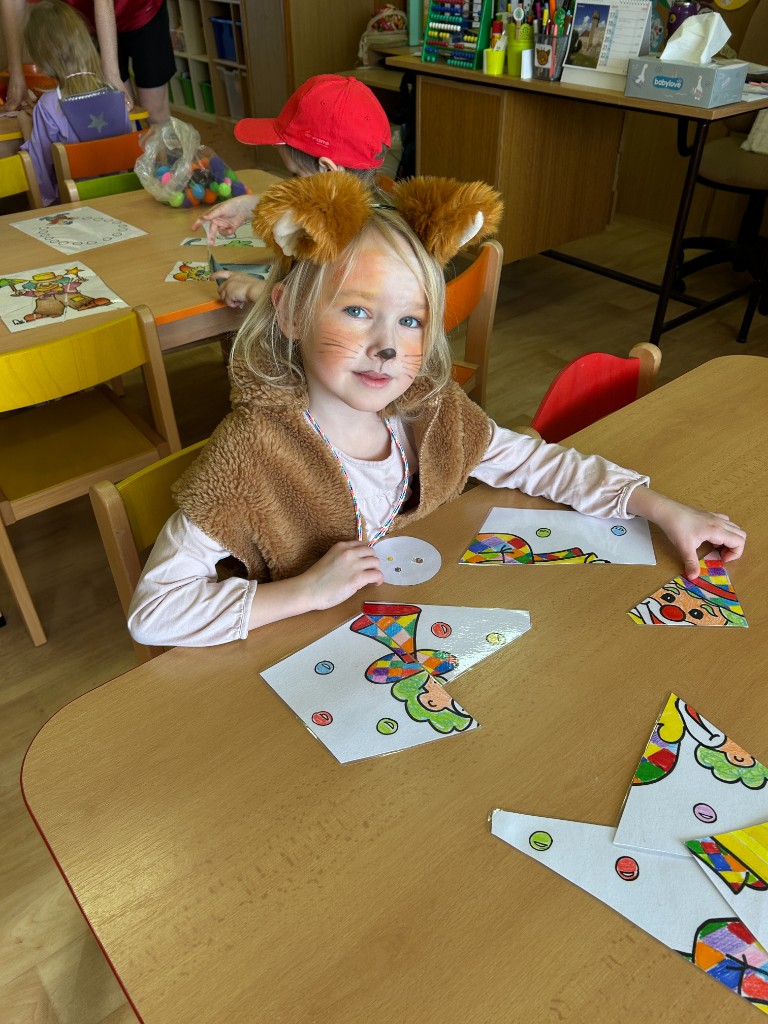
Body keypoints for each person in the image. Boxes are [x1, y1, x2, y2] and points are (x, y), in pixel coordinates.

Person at [127, 172, 746, 648]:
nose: (387, 346)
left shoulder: (429, 412)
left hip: (414, 629)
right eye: (358, 311)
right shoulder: (252, 455)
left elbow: (535, 462)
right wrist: (302, 592)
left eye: (411, 321)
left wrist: (663, 509)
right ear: (291, 312)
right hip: (304, 659)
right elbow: (153, 612)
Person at [192, 74, 391, 310]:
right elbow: (308, 200)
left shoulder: (355, 248)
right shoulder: (367, 209)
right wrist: (249, 205)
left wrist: (256, 291)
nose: (291, 184)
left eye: (295, 175)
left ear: (328, 171)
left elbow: (324, 312)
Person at [20, 0, 131, 206]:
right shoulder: (115, 94)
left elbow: (40, 169)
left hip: (75, 205)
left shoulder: (48, 106)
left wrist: (46, 204)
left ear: (42, 59)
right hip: (122, 199)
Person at [1, 0, 174, 123]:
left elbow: (104, 3)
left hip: (140, 10)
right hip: (90, 23)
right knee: (119, 113)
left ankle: (169, 163)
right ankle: (136, 162)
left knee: (154, 112)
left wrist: (112, 77)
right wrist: (16, 75)